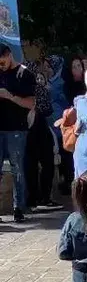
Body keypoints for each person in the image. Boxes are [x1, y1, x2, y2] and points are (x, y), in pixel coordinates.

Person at [0, 43, 36, 223]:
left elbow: (31, 103)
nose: (1, 66)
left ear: (8, 55)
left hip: (16, 129)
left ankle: (18, 208)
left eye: (1, 61)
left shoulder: (24, 74)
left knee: (17, 169)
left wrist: (9, 96)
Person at [25, 55, 61, 211]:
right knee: (45, 163)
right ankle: (43, 198)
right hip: (37, 126)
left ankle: (32, 199)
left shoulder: (22, 85)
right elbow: (47, 109)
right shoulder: (38, 85)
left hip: (26, 128)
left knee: (31, 164)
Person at [58, 56, 86, 194]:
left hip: (86, 125)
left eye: (79, 66)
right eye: (74, 67)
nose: (77, 69)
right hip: (72, 125)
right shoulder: (65, 86)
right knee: (69, 155)